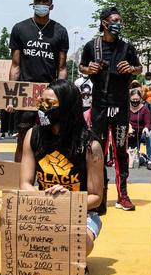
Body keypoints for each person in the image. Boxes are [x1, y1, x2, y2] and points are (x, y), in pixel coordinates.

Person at [19, 80, 103, 255]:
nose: (42, 107)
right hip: (43, 207)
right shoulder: (32, 135)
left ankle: (74, 262)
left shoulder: (90, 145)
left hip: (81, 212)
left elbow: (96, 197)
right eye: (41, 101)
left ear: (67, 107)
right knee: (5, 216)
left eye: (49, 103)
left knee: (79, 241)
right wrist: (48, 202)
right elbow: (25, 184)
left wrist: (67, 202)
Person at [80, 7, 142, 211]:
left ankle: (123, 195)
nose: (118, 24)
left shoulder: (127, 47)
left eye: (120, 21)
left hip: (121, 106)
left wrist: (132, 69)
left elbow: (139, 68)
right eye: (114, 20)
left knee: (121, 151)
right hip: (99, 106)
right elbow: (81, 67)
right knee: (97, 150)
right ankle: (99, 194)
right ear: (104, 23)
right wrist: (89, 69)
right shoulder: (92, 46)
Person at [7, 0, 69, 162]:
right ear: (33, 4)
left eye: (45, 1)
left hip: (48, 94)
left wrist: (60, 94)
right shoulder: (20, 28)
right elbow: (15, 65)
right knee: (23, 139)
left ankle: (45, 182)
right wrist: (12, 94)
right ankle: (18, 182)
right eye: (38, 1)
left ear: (51, 5)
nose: (41, 4)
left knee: (49, 139)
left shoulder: (60, 31)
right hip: (26, 93)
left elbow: (62, 67)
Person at [129, 88, 151, 170]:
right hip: (130, 134)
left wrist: (146, 128)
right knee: (132, 160)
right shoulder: (126, 108)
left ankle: (150, 160)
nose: (135, 101)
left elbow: (148, 122)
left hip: (142, 134)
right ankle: (142, 157)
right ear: (130, 99)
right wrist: (128, 127)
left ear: (140, 99)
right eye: (133, 99)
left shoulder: (144, 108)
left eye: (137, 99)